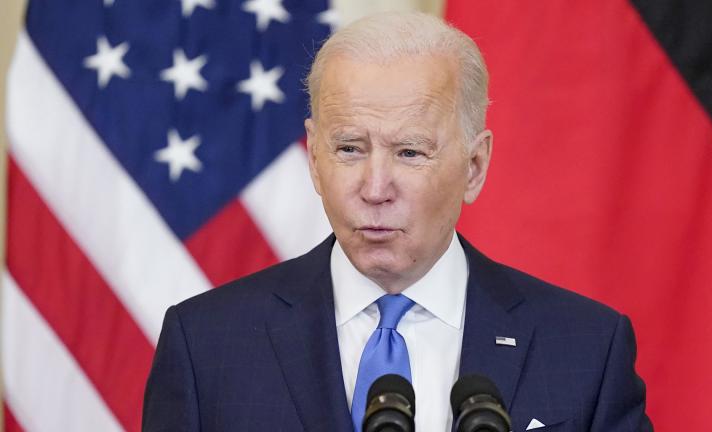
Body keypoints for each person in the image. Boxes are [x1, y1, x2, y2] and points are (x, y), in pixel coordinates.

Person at [142, 12, 652, 432]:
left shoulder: (585, 348)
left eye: (410, 152)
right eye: (349, 149)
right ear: (315, 159)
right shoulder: (206, 344)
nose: (375, 188)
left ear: (474, 167)